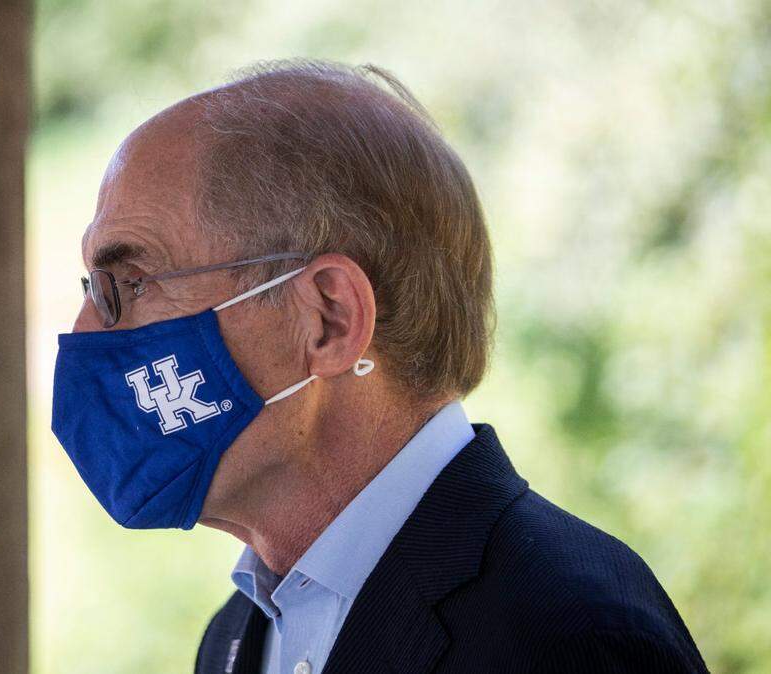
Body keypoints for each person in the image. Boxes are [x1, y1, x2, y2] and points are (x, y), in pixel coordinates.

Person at [50, 60, 707, 674]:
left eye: (129, 283)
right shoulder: (240, 634)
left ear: (328, 319)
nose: (85, 333)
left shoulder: (572, 637)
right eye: (92, 289)